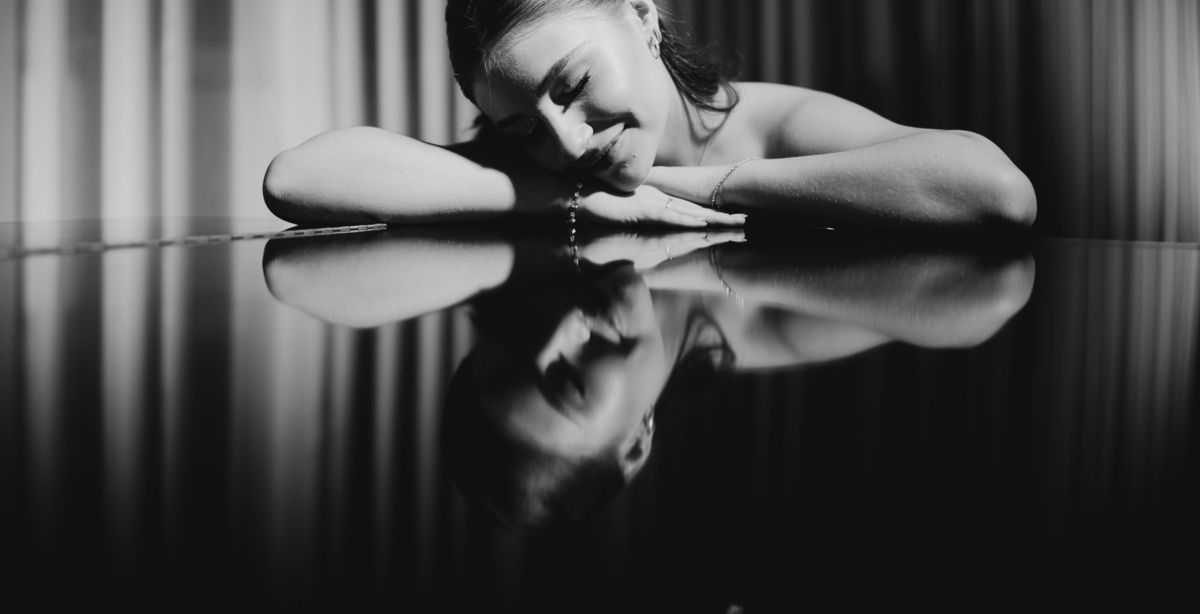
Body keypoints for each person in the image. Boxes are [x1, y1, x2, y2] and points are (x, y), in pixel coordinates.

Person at [263, 0, 1036, 232]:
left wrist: (689, 188)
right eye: (523, 128)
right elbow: (297, 178)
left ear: (639, 16)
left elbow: (997, 192)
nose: (567, 144)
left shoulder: (769, 124)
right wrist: (570, 197)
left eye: (571, 85)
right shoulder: (540, 166)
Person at [263, 226, 1035, 531]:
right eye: (570, 384)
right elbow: (987, 287)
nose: (564, 329)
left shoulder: (547, 217)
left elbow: (300, 190)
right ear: (636, 445)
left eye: (522, 337)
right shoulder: (767, 324)